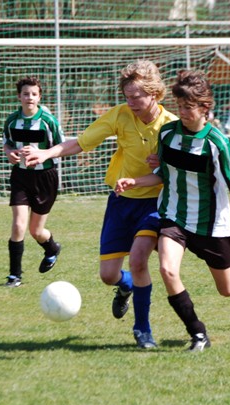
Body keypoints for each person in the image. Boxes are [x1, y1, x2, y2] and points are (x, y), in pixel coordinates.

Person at [25, 60, 178, 349]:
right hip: (121, 203)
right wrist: (46, 153)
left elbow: (182, 165)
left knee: (139, 260)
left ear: (155, 93)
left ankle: (142, 329)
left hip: (155, 204)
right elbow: (81, 143)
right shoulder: (120, 116)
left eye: (137, 97)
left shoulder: (171, 126)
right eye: (127, 96)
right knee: (109, 276)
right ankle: (126, 286)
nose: (130, 102)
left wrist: (166, 165)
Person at [114, 70, 230, 352]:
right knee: (167, 269)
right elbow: (163, 175)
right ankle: (198, 332)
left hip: (210, 225)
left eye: (188, 108)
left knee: (227, 290)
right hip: (174, 217)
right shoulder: (168, 134)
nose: (182, 113)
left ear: (205, 108)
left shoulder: (217, 143)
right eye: (179, 106)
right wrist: (136, 181)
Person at [2, 76, 65, 288]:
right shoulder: (12, 120)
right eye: (26, 93)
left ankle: (52, 248)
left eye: (34, 94)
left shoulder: (49, 121)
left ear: (39, 97)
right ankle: (14, 275)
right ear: (19, 96)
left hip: (45, 178)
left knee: (36, 231)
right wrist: (10, 153)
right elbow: (7, 144)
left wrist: (42, 153)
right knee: (19, 224)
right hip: (21, 176)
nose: (30, 97)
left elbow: (61, 147)